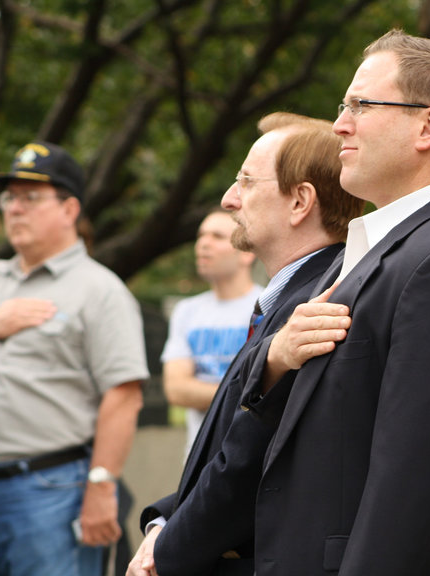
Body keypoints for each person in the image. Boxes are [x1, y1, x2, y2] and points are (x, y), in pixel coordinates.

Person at [238, 29, 430, 576]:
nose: (340, 123)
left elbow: (414, 487)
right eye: (343, 106)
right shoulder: (391, 251)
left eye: (361, 105)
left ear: (429, 126)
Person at [126, 112, 364, 576]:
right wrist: (164, 521)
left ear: (300, 202)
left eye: (246, 182)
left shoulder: (325, 301)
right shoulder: (292, 298)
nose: (229, 199)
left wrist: (167, 551)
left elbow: (252, 463)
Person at [0, 141, 149, 576]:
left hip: (51, 493)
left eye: (31, 198)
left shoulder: (99, 290)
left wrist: (101, 487)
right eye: (10, 198)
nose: (14, 209)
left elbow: (124, 396)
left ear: (69, 210)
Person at [161, 208, 262, 455]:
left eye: (217, 236)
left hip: (251, 457)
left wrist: (200, 390)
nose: (203, 244)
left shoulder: (268, 304)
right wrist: (242, 393)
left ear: (246, 252)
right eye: (200, 235)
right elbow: (175, 390)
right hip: (197, 459)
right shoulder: (187, 310)